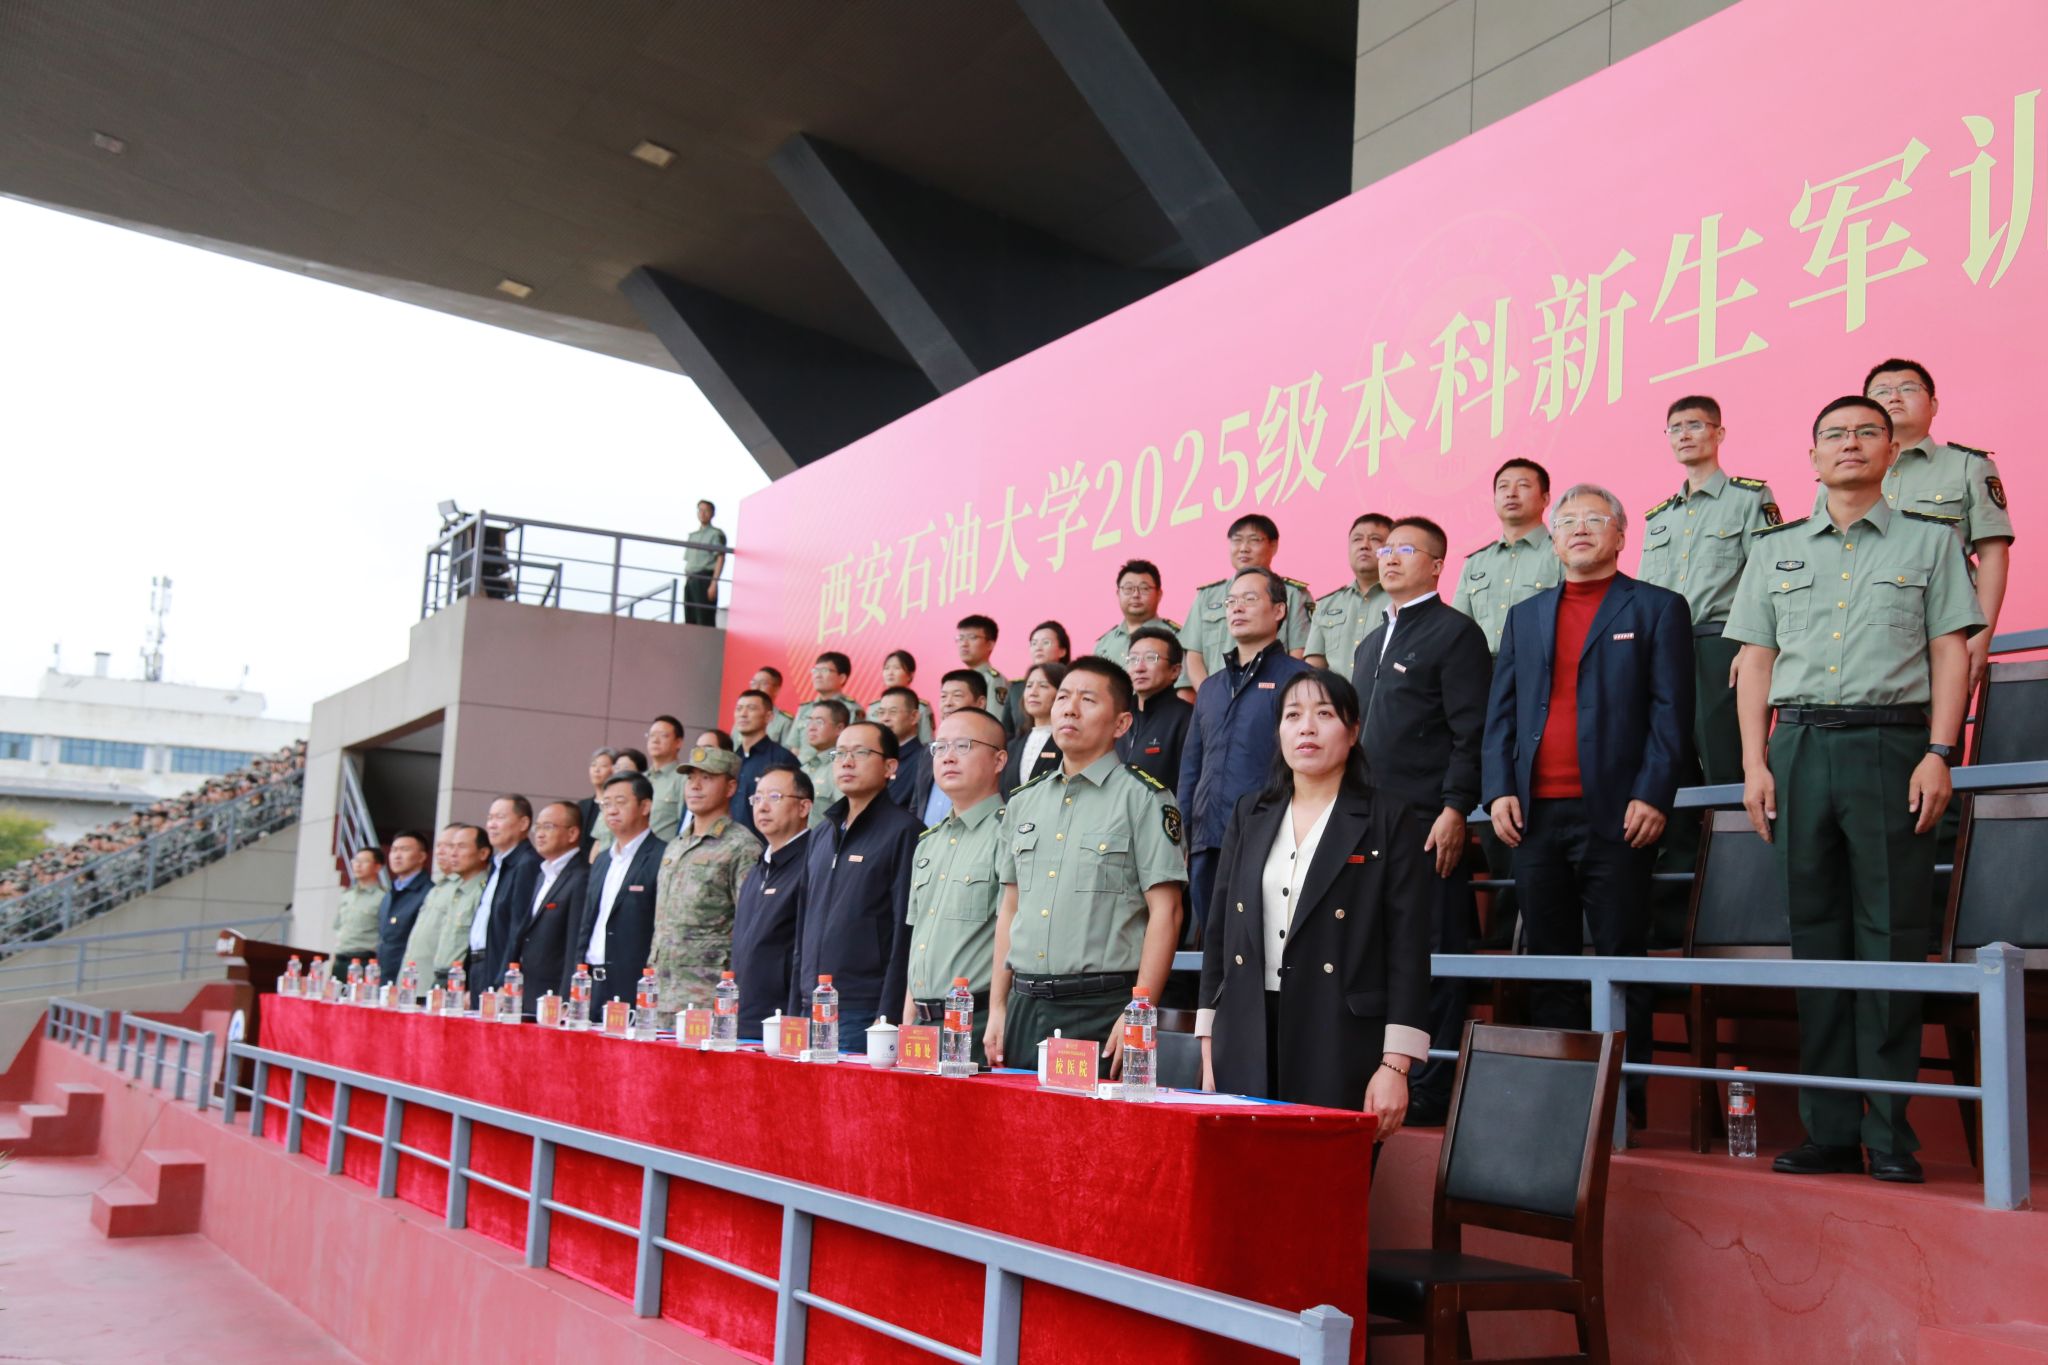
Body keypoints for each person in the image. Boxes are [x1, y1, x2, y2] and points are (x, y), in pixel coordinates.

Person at [1727, 395, 1984, 1184]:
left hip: (1892, 746)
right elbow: (1756, 661)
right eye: (1834, 434)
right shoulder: (1774, 549)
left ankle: (1890, 1133)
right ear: (1812, 456)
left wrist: (1940, 750)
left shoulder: (1930, 542)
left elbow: (1949, 651)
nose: (1850, 443)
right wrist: (1754, 763)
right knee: (1816, 937)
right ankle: (1830, 1128)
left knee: (1890, 935)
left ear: (1891, 450)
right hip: (1798, 746)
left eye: (1867, 432)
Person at [1482, 484, 1693, 1128]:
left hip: (1619, 814)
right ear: (1553, 539)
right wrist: (1498, 788)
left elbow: (1671, 713)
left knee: (1620, 958)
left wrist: (1653, 792)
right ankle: (1563, 1108)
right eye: (1567, 520)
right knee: (1548, 961)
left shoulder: (1657, 607)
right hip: (1535, 818)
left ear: (1621, 534)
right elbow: (1502, 714)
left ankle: (1626, 1105)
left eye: (1594, 519)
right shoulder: (1525, 615)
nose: (1578, 529)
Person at [1196, 670, 1431, 1118]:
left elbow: (1409, 947)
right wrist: (1209, 1038)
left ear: (1353, 731)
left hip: (1340, 1036)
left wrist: (1396, 1065)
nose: (1306, 727)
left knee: (1326, 1161)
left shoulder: (1387, 817)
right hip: (1246, 1030)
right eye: (1292, 715)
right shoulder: (1250, 812)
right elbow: (1221, 931)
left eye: (1324, 714)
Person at [1350, 515, 1493, 1124]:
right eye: (1385, 548)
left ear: (1437, 565)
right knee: (1373, 952)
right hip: (1366, 822)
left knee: (1432, 951)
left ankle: (1431, 1089)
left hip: (1427, 822)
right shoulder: (1368, 643)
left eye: (1405, 549)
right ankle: (1376, 1072)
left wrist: (1456, 807)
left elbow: (1470, 731)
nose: (1389, 557)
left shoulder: (1455, 633)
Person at [986, 657, 1186, 1071]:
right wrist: (998, 1006)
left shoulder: (1144, 799)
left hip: (1100, 1007)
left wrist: (1138, 1011)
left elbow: (1166, 912)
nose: (1069, 709)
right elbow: (1010, 908)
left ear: (1121, 723)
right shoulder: (1023, 802)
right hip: (1024, 1005)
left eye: (1088, 700)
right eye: (1063, 697)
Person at [1637, 396, 1782, 785]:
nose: (1684, 435)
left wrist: (1753, 646)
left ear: (1719, 433)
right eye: (1675, 428)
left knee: (1724, 761)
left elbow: (1768, 576)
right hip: (1664, 649)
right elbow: (1643, 596)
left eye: (1695, 425)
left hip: (1722, 645)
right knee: (1667, 762)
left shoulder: (1750, 498)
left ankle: (1737, 827)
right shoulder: (1658, 518)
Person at [1865, 359, 2015, 697]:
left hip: (1940, 630)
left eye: (1907, 388)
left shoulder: (1968, 466)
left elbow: (1994, 554)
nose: (1894, 397)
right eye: (1882, 392)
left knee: (1936, 727)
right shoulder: (1846, 474)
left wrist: (1981, 636)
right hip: (1862, 633)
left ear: (1933, 404)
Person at [1178, 566, 1309, 945]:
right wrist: (1184, 835)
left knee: (1267, 946)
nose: (1236, 608)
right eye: (1231, 602)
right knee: (1216, 947)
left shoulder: (1300, 680)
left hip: (1271, 835)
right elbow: (1192, 768)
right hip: (1207, 840)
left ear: (1279, 611)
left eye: (1249, 599)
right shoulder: (1211, 688)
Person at [792, 721, 923, 1039]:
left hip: (863, 1008)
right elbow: (802, 925)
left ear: (890, 767)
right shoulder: (821, 833)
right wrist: (796, 1006)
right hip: (811, 1004)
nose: (847, 762)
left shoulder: (904, 831)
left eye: (860, 753)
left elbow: (904, 931)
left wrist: (888, 1014)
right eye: (840, 753)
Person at [903, 707, 1010, 1065]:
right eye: (940, 747)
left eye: (963, 745)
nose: (948, 757)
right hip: (921, 1023)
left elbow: (1011, 931)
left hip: (973, 1021)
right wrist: (908, 1019)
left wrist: (999, 1010)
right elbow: (919, 939)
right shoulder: (928, 842)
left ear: (999, 760)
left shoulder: (1009, 834)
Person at [652, 747, 763, 1020]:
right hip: (661, 991)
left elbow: (750, 926)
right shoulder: (676, 845)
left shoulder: (742, 846)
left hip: (707, 996)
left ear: (730, 787)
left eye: (707, 778)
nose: (695, 786)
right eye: (690, 778)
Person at [1178, 514, 1315, 689]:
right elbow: (1194, 655)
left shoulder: (1293, 594)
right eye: (1237, 540)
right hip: (1218, 694)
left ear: (1273, 546)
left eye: (1254, 540)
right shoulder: (1207, 596)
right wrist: (1210, 694)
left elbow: (1299, 650)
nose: (1243, 548)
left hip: (1272, 693)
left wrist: (1284, 692)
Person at [573, 772, 667, 1010]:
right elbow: (587, 923)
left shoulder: (663, 856)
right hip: (590, 979)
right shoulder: (602, 860)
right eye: (606, 804)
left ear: (645, 806)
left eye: (620, 802)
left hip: (634, 982)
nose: (612, 810)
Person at [731, 765, 813, 1035]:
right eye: (757, 798)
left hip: (784, 1019)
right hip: (745, 1013)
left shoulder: (813, 863)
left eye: (775, 797)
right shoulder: (758, 868)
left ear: (804, 807)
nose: (762, 807)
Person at [1454, 458, 1562, 653]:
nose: (1511, 493)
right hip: (1483, 668)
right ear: (1494, 499)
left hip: (1539, 664)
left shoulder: (1561, 554)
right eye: (1503, 487)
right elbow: (1458, 630)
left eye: (1523, 485)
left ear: (1545, 499)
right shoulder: (1476, 563)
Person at [500, 801, 589, 1010]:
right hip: (527, 989)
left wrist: (567, 999)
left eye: (548, 827)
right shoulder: (542, 875)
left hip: (554, 994)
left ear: (572, 833)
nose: (539, 834)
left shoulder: (582, 876)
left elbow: (575, 944)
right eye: (537, 827)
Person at [402, 824, 491, 985]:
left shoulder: (483, 891)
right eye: (452, 847)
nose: (453, 853)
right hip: (438, 978)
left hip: (460, 980)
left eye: (461, 847)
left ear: (483, 853)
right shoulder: (455, 890)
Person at [471, 794, 540, 1000]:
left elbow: (518, 928)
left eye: (500, 818)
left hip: (498, 969)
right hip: (479, 965)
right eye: (489, 818)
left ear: (524, 823)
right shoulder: (498, 863)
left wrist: (505, 979)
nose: (491, 825)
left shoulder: (527, 863)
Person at [1303, 513, 1393, 670]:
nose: (1364, 545)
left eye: (1375, 539)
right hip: (1334, 687)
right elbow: (1314, 666)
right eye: (1357, 539)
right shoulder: (1326, 604)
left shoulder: (1402, 599)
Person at [1116, 625, 1193, 788]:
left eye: (1151, 658)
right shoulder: (1118, 716)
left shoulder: (1187, 719)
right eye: (1133, 659)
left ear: (1175, 671)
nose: (1139, 668)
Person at [909, 670, 990, 823]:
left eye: (957, 696)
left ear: (980, 703)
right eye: (943, 697)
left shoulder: (990, 747)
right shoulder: (929, 750)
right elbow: (917, 804)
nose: (948, 703)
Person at [1093, 559, 1184, 687]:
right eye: (1128, 589)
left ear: (1159, 594)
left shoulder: (1177, 637)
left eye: (1144, 588)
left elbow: (1184, 689)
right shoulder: (1104, 643)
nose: (1136, 595)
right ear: (1118, 594)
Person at [731, 689, 798, 834]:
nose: (743, 714)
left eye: (751, 708)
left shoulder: (782, 759)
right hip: (729, 843)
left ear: (769, 716)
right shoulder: (732, 759)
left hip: (765, 843)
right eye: (739, 708)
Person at [375, 829, 434, 979]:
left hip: (409, 978)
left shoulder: (429, 893)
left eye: (405, 850)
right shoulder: (389, 894)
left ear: (422, 857)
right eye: (394, 850)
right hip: (384, 976)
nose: (397, 856)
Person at [1001, 661, 1066, 795]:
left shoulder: (1068, 743)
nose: (1033, 692)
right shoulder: (1012, 746)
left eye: (1043, 686)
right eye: (1029, 686)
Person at [792, 653, 862, 762]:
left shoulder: (852, 710)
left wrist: (821, 763)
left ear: (842, 678)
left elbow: (851, 748)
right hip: (801, 768)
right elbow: (795, 748)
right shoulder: (805, 709)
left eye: (824, 671)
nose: (817, 675)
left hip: (832, 767)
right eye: (815, 670)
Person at [1003, 621, 1070, 735]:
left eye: (1046, 642)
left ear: (1062, 651)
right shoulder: (1017, 688)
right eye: (1033, 643)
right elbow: (1007, 731)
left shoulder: (1071, 685)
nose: (1038, 648)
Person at [871, 686, 927, 811]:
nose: (885, 718)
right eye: (881, 712)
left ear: (914, 717)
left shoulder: (923, 759)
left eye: (893, 712)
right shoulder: (877, 757)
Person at [588, 747, 648, 863]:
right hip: (604, 862)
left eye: (625, 767)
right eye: (617, 767)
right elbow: (598, 841)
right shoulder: (608, 799)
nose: (619, 771)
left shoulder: (641, 801)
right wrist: (593, 867)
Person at [955, 615, 1012, 735]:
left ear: (990, 644)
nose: (964, 644)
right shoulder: (958, 680)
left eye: (972, 637)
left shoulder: (994, 680)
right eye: (960, 638)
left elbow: (995, 724)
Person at [799, 699, 848, 828]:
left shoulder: (842, 767)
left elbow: (846, 816)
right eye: (810, 721)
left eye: (819, 722)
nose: (811, 728)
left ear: (839, 728)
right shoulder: (805, 767)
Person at [332, 846, 386, 961]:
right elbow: (338, 926)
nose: (358, 865)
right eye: (356, 861)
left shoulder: (383, 897)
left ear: (377, 867)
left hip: (366, 959)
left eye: (364, 861)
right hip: (341, 956)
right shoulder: (347, 895)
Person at [869, 650, 934, 743]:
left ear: (910, 675)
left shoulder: (921, 707)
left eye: (896, 668)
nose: (890, 673)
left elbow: (926, 741)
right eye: (886, 668)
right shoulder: (873, 707)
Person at [643, 716, 688, 842]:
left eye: (663, 735)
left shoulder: (684, 779)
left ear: (678, 742)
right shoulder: (640, 779)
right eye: (651, 735)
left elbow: (685, 826)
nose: (655, 740)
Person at [683, 499, 726, 627]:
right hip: (691, 579)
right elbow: (689, 560)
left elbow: (720, 558)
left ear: (712, 513)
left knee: (704, 619)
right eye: (700, 510)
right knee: (690, 619)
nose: (702, 513)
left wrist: (714, 583)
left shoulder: (715, 534)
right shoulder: (693, 536)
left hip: (705, 578)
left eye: (706, 510)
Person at [579, 748, 619, 858]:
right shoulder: (582, 806)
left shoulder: (617, 807)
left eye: (603, 766)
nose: (596, 770)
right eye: (593, 765)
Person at [751, 666, 798, 748]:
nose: (756, 688)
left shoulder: (785, 721)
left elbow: (787, 754)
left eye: (763, 683)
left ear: (776, 690)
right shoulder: (742, 718)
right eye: (754, 683)